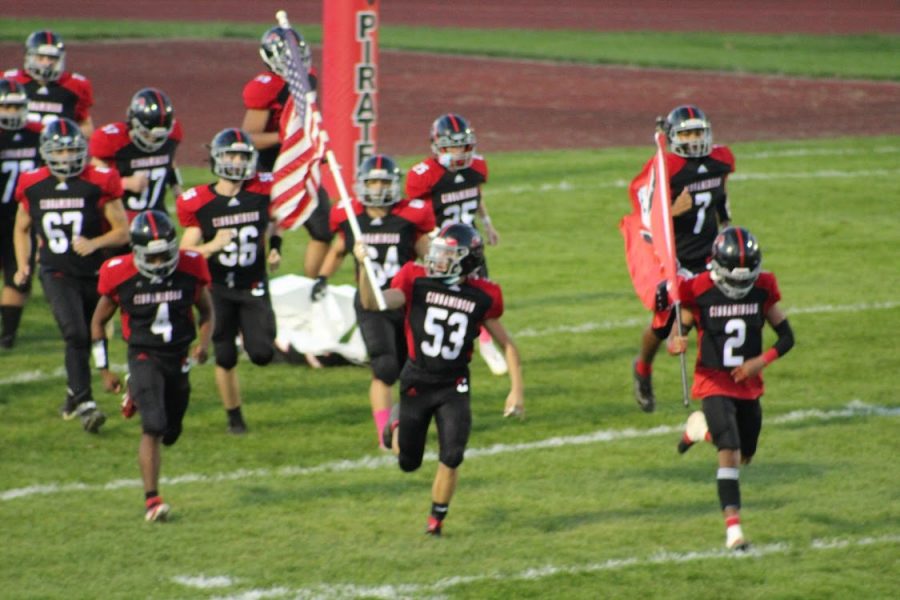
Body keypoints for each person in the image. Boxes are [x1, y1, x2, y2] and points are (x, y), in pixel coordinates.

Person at [356, 222, 524, 535]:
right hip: (417, 379)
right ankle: (395, 424)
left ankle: (436, 521)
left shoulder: (481, 296)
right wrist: (365, 269)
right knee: (408, 462)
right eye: (438, 253)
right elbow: (373, 302)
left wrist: (516, 390)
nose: (437, 259)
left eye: (447, 255)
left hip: (454, 385)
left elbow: (508, 345)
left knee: (453, 453)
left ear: (467, 260)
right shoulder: (415, 280)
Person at [660, 226, 794, 550]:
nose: (739, 285)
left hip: (748, 384)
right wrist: (675, 342)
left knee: (745, 453)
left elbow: (787, 337)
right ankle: (734, 532)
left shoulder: (762, 287)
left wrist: (759, 362)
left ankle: (699, 430)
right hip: (713, 380)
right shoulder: (700, 289)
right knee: (730, 451)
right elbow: (680, 330)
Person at [91, 210, 213, 522]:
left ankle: (137, 391)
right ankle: (152, 500)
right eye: (152, 257)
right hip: (144, 353)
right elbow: (98, 321)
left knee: (172, 431)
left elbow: (207, 312)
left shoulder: (191, 266)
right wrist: (103, 368)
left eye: (164, 256)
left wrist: (204, 343)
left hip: (178, 355)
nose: (159, 264)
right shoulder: (120, 273)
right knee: (154, 426)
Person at [13, 117, 129, 432]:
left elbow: (122, 232)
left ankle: (72, 391)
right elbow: (21, 228)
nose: (66, 158)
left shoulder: (99, 181)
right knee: (75, 333)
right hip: (56, 271)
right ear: (48, 152)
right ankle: (86, 404)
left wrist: (95, 242)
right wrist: (24, 263)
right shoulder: (33, 183)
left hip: (93, 271)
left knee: (92, 332)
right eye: (59, 152)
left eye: (71, 151)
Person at [312, 154, 435, 449]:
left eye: (384, 182)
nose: (378, 188)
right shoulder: (351, 217)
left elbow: (426, 252)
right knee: (384, 367)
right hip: (370, 300)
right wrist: (322, 278)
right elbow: (339, 249)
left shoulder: (409, 215)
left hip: (405, 300)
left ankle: (402, 422)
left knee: (412, 369)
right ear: (361, 185)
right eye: (373, 182)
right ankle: (384, 434)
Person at [175, 127, 281, 434]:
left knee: (262, 354)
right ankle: (234, 417)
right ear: (217, 159)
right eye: (230, 155)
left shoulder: (261, 191)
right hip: (217, 288)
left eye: (242, 156)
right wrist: (210, 246)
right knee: (225, 355)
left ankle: (250, 334)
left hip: (252, 284)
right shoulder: (201, 201)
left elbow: (276, 220)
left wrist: (275, 249)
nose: (236, 161)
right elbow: (185, 252)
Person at [630, 104, 735, 412]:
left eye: (698, 132)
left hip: (707, 255)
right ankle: (642, 368)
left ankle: (715, 388)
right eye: (686, 133)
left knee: (710, 318)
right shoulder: (666, 166)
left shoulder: (720, 159)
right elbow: (647, 216)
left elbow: (721, 195)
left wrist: (725, 224)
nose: (693, 139)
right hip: (675, 256)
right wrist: (676, 210)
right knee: (663, 326)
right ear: (674, 136)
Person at [405, 113, 507, 376]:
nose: (460, 151)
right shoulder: (423, 175)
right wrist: (428, 246)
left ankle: (485, 342)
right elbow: (417, 215)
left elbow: (476, 194)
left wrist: (487, 222)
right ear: (437, 145)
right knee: (439, 297)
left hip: (469, 242)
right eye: (453, 145)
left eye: (463, 144)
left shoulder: (477, 167)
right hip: (441, 246)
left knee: (479, 294)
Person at [242, 25, 332, 278]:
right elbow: (249, 138)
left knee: (324, 229)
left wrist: (310, 142)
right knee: (256, 231)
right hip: (266, 166)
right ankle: (252, 285)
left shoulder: (308, 77)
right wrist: (286, 138)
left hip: (298, 162)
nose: (295, 62)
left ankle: (311, 287)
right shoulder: (266, 86)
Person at [89, 87, 183, 225]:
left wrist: (178, 190)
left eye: (159, 137)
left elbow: (170, 160)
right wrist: (124, 183)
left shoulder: (172, 136)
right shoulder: (111, 140)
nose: (153, 140)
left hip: (158, 217)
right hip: (120, 221)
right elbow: (92, 183)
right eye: (147, 134)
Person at [0, 78, 42, 348]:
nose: (13, 113)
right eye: (7, 107)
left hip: (22, 216)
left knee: (20, 274)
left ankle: (8, 336)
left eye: (17, 108)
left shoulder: (38, 134)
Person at [4, 30, 94, 137]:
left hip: (55, 150)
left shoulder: (75, 85)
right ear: (29, 56)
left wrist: (67, 137)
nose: (46, 63)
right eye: (40, 57)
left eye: (52, 58)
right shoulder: (10, 82)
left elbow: (87, 126)